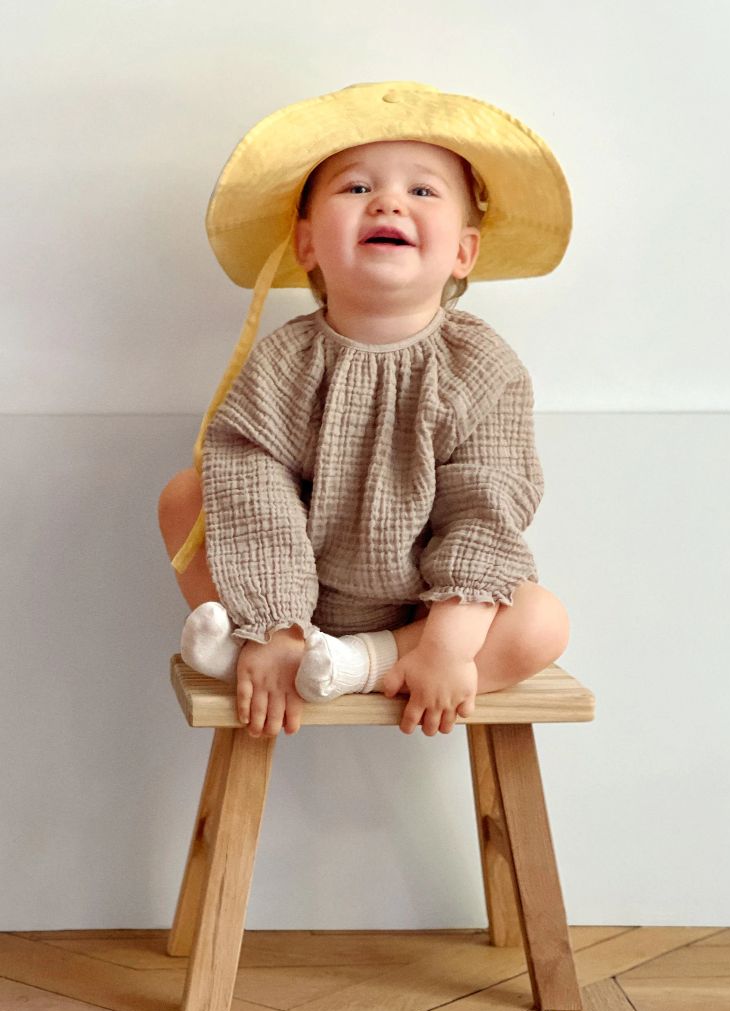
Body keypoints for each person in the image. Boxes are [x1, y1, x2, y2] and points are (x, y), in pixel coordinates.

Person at [158, 81, 573, 741]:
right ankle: (272, 652)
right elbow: (251, 485)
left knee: (542, 621)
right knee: (186, 496)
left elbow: (484, 511)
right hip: (300, 585)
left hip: (424, 607)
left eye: (423, 191)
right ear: (306, 243)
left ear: (464, 250)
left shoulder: (483, 367)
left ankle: (365, 662)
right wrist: (278, 622)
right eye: (355, 188)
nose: (387, 201)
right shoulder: (285, 362)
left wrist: (448, 645)